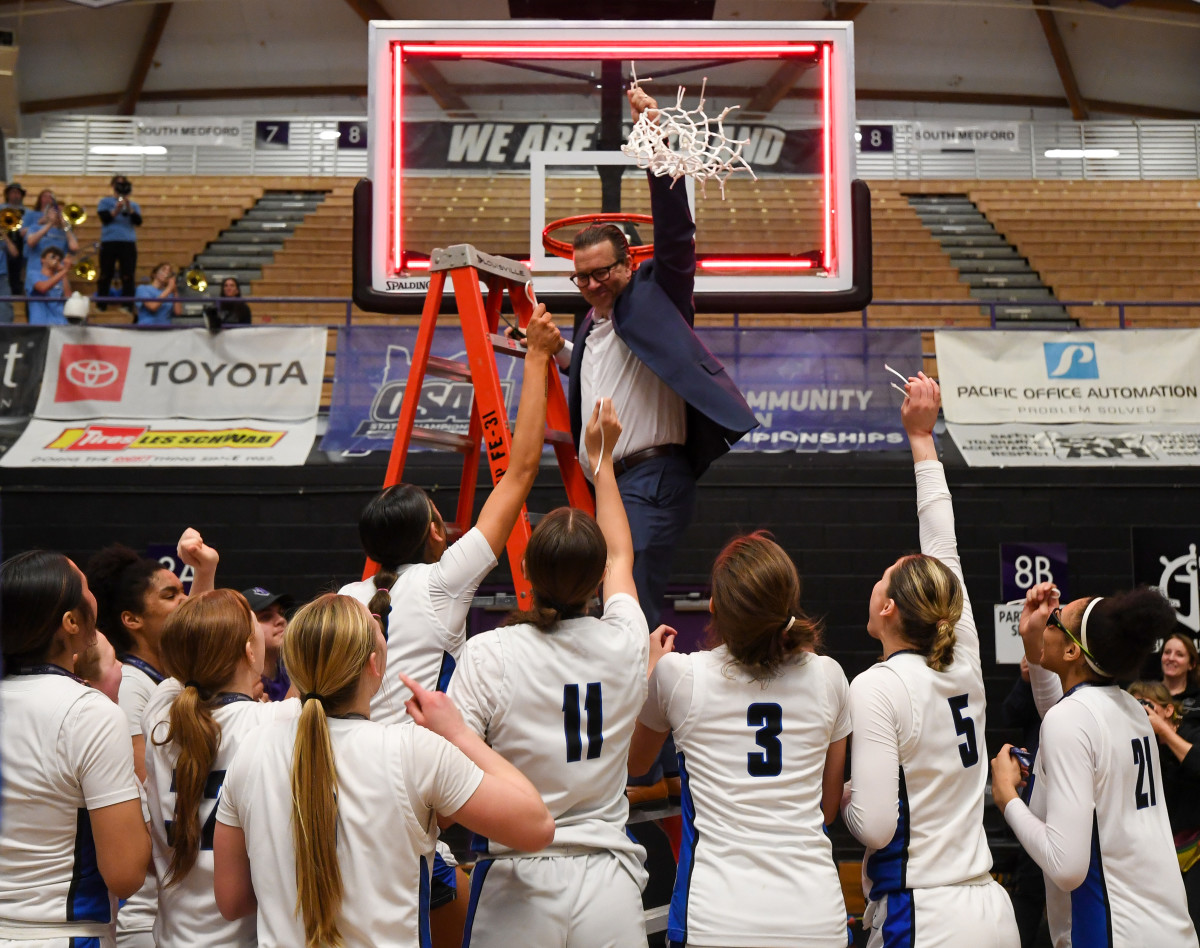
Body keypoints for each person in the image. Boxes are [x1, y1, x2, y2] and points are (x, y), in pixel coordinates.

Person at [212, 593, 555, 948]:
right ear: (374, 665)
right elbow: (537, 827)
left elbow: (232, 901)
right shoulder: (412, 751)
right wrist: (457, 732)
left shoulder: (252, 750)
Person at [549, 85, 757, 630]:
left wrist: (656, 140)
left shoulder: (656, 293)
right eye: (582, 276)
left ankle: (638, 711)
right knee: (610, 601)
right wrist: (553, 351)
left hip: (651, 475)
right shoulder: (593, 322)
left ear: (627, 264)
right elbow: (595, 368)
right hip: (607, 479)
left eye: (603, 272)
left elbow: (675, 236)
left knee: (629, 602)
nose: (592, 283)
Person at [448, 398, 652, 948]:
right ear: (597, 583)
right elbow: (623, 558)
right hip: (608, 879)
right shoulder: (627, 641)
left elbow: (448, 769)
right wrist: (602, 461)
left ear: (523, 570)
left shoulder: (488, 653)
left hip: (517, 877)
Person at [841, 373, 1019, 948]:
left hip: (925, 914)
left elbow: (873, 826)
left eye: (881, 579)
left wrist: (843, 797)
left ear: (888, 607)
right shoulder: (962, 653)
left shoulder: (878, 685)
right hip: (992, 906)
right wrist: (922, 438)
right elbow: (943, 545)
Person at [338, 306, 562, 725]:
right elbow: (520, 472)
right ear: (437, 533)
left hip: (354, 765)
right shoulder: (441, 583)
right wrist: (535, 357)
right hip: (420, 772)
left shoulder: (347, 598)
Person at [628, 530, 852, 947]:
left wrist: (648, 674)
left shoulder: (679, 676)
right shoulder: (829, 676)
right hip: (815, 918)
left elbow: (633, 765)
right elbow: (828, 806)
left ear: (715, 608)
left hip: (716, 920)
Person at [993, 583, 1198, 948]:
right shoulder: (1131, 708)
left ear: (1073, 649)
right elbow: (1061, 712)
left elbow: (1066, 866)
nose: (1048, 622)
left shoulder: (1071, 719)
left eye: (1055, 619)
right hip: (1169, 928)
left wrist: (1008, 799)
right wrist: (1031, 636)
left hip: (1114, 931)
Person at [0, 550, 150, 946]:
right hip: (62, 934)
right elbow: (126, 873)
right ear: (70, 622)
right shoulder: (89, 714)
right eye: (84, 586)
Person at [143, 589, 298, 948]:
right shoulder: (276, 721)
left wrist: (204, 576)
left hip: (170, 940)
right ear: (249, 650)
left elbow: (187, 649)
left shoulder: (159, 718)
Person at [85, 529, 218, 948]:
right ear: (132, 619)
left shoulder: (167, 682)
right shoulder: (132, 686)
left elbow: (202, 634)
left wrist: (206, 570)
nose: (183, 603)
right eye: (170, 595)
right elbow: (153, 797)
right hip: (146, 912)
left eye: (183, 593)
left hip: (181, 907)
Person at [1128, 680, 1200, 935]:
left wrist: (1164, 732)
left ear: (1168, 710)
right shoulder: (1137, 744)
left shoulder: (1190, 733)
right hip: (1156, 853)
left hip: (1194, 849)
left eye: (1145, 706)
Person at [97, 175, 142, 311]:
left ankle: (127, 304)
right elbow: (104, 219)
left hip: (127, 242)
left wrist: (129, 208)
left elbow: (138, 222)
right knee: (106, 274)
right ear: (113, 186)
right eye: (118, 184)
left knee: (128, 274)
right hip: (109, 241)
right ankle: (101, 304)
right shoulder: (105, 202)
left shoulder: (133, 204)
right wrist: (116, 209)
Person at [242, 586, 292, 701]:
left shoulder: (292, 674)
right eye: (266, 616)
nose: (281, 620)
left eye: (281, 613)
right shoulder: (239, 688)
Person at [22, 189, 80, 261]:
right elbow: (31, 242)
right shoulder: (35, 228)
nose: (59, 214)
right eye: (57, 211)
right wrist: (50, 223)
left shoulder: (67, 231)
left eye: (62, 212)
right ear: (49, 212)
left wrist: (66, 226)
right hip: (36, 270)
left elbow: (74, 248)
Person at [25, 245, 70, 325]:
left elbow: (68, 298)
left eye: (59, 259)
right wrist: (65, 270)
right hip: (40, 324)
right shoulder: (32, 274)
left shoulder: (60, 277)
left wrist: (64, 273)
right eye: (53, 257)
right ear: (42, 260)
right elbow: (42, 288)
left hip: (60, 324)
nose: (56, 260)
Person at [1162, 631, 1200, 717]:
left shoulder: (1198, 700)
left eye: (1179, 655)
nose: (1171, 658)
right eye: (1167, 652)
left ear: (1192, 664)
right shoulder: (1146, 694)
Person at [3, 181, 27, 297]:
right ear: (7, 195)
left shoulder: (27, 211)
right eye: (12, 192)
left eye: (18, 193)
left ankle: (17, 290)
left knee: (18, 270)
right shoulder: (1, 208)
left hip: (20, 241)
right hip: (3, 241)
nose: (15, 195)